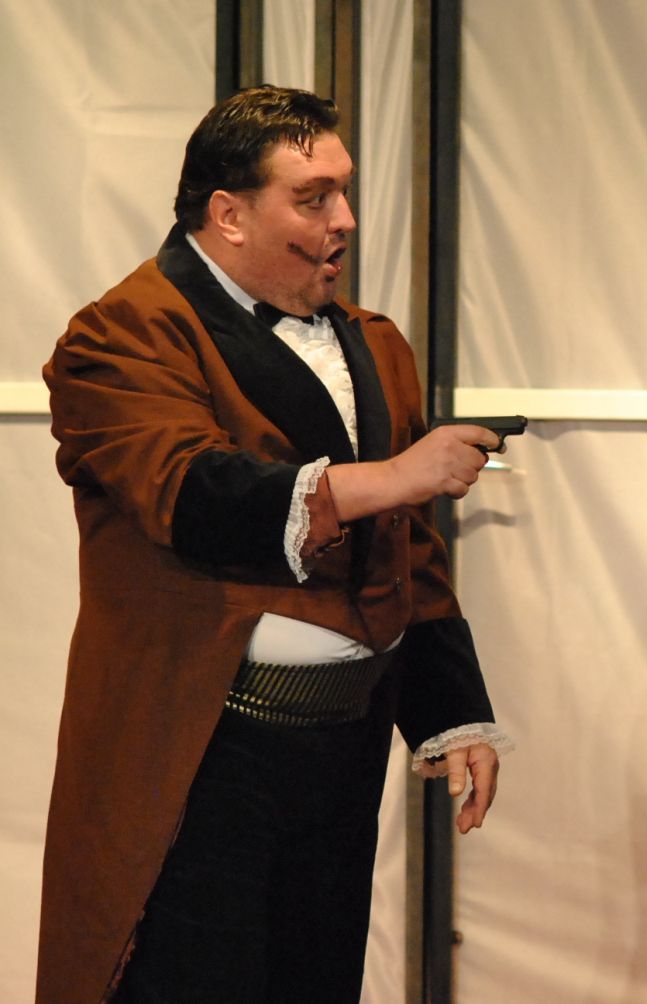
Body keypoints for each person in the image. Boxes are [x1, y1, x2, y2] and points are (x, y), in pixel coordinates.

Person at [38, 86, 511, 1003]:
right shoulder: (123, 334)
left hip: (339, 750)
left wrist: (452, 711)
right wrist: (392, 475)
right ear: (229, 214)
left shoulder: (374, 344)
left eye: (344, 191)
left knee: (312, 979)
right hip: (198, 751)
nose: (346, 219)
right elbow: (195, 493)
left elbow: (405, 551)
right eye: (313, 197)